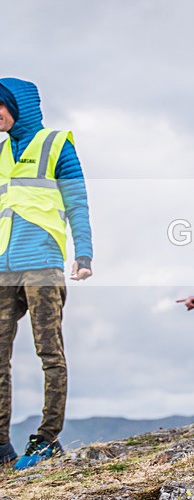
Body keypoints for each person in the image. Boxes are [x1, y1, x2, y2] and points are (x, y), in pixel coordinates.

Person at [0, 78, 94, 469]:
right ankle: (1, 446)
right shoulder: (2, 152)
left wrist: (84, 255)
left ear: (16, 106)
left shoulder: (57, 145)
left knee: (49, 352)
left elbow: (77, 201)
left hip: (42, 263)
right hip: (4, 267)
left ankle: (46, 438)